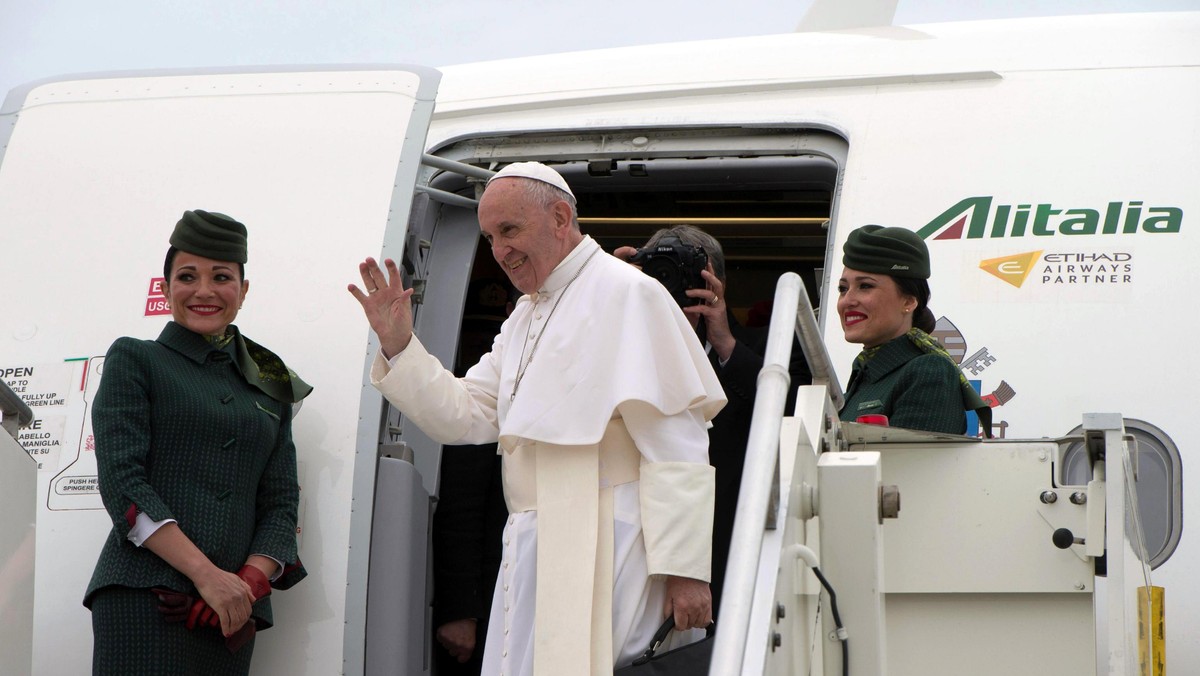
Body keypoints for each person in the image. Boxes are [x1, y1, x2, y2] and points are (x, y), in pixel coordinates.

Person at [349, 162, 726, 675]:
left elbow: (678, 441)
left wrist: (685, 572)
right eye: (489, 237)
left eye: (510, 230)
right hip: (531, 538)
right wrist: (399, 344)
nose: (500, 251)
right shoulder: (525, 314)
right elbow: (465, 415)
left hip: (612, 539)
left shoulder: (627, 292)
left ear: (560, 216)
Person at [84, 210, 310, 675]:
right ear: (165, 289)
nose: (204, 290)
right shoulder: (136, 359)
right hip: (147, 597)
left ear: (243, 291)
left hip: (230, 614)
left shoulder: (270, 384)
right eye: (187, 276)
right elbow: (123, 483)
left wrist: (247, 583)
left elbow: (282, 501)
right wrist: (207, 577)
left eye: (221, 277)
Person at [615, 225, 811, 615]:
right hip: (636, 547)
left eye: (683, 273)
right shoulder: (620, 346)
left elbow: (791, 414)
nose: (673, 285)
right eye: (661, 274)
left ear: (715, 281)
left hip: (730, 543)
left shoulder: (766, 349)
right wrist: (611, 294)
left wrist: (725, 344)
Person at [836, 224, 991, 435]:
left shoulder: (929, 372)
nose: (847, 301)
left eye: (865, 286)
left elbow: (913, 466)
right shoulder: (866, 371)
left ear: (908, 301)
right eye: (843, 289)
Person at [432, 278, 511, 675]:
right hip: (485, 607)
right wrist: (460, 610)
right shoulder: (478, 398)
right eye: (476, 335)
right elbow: (460, 513)